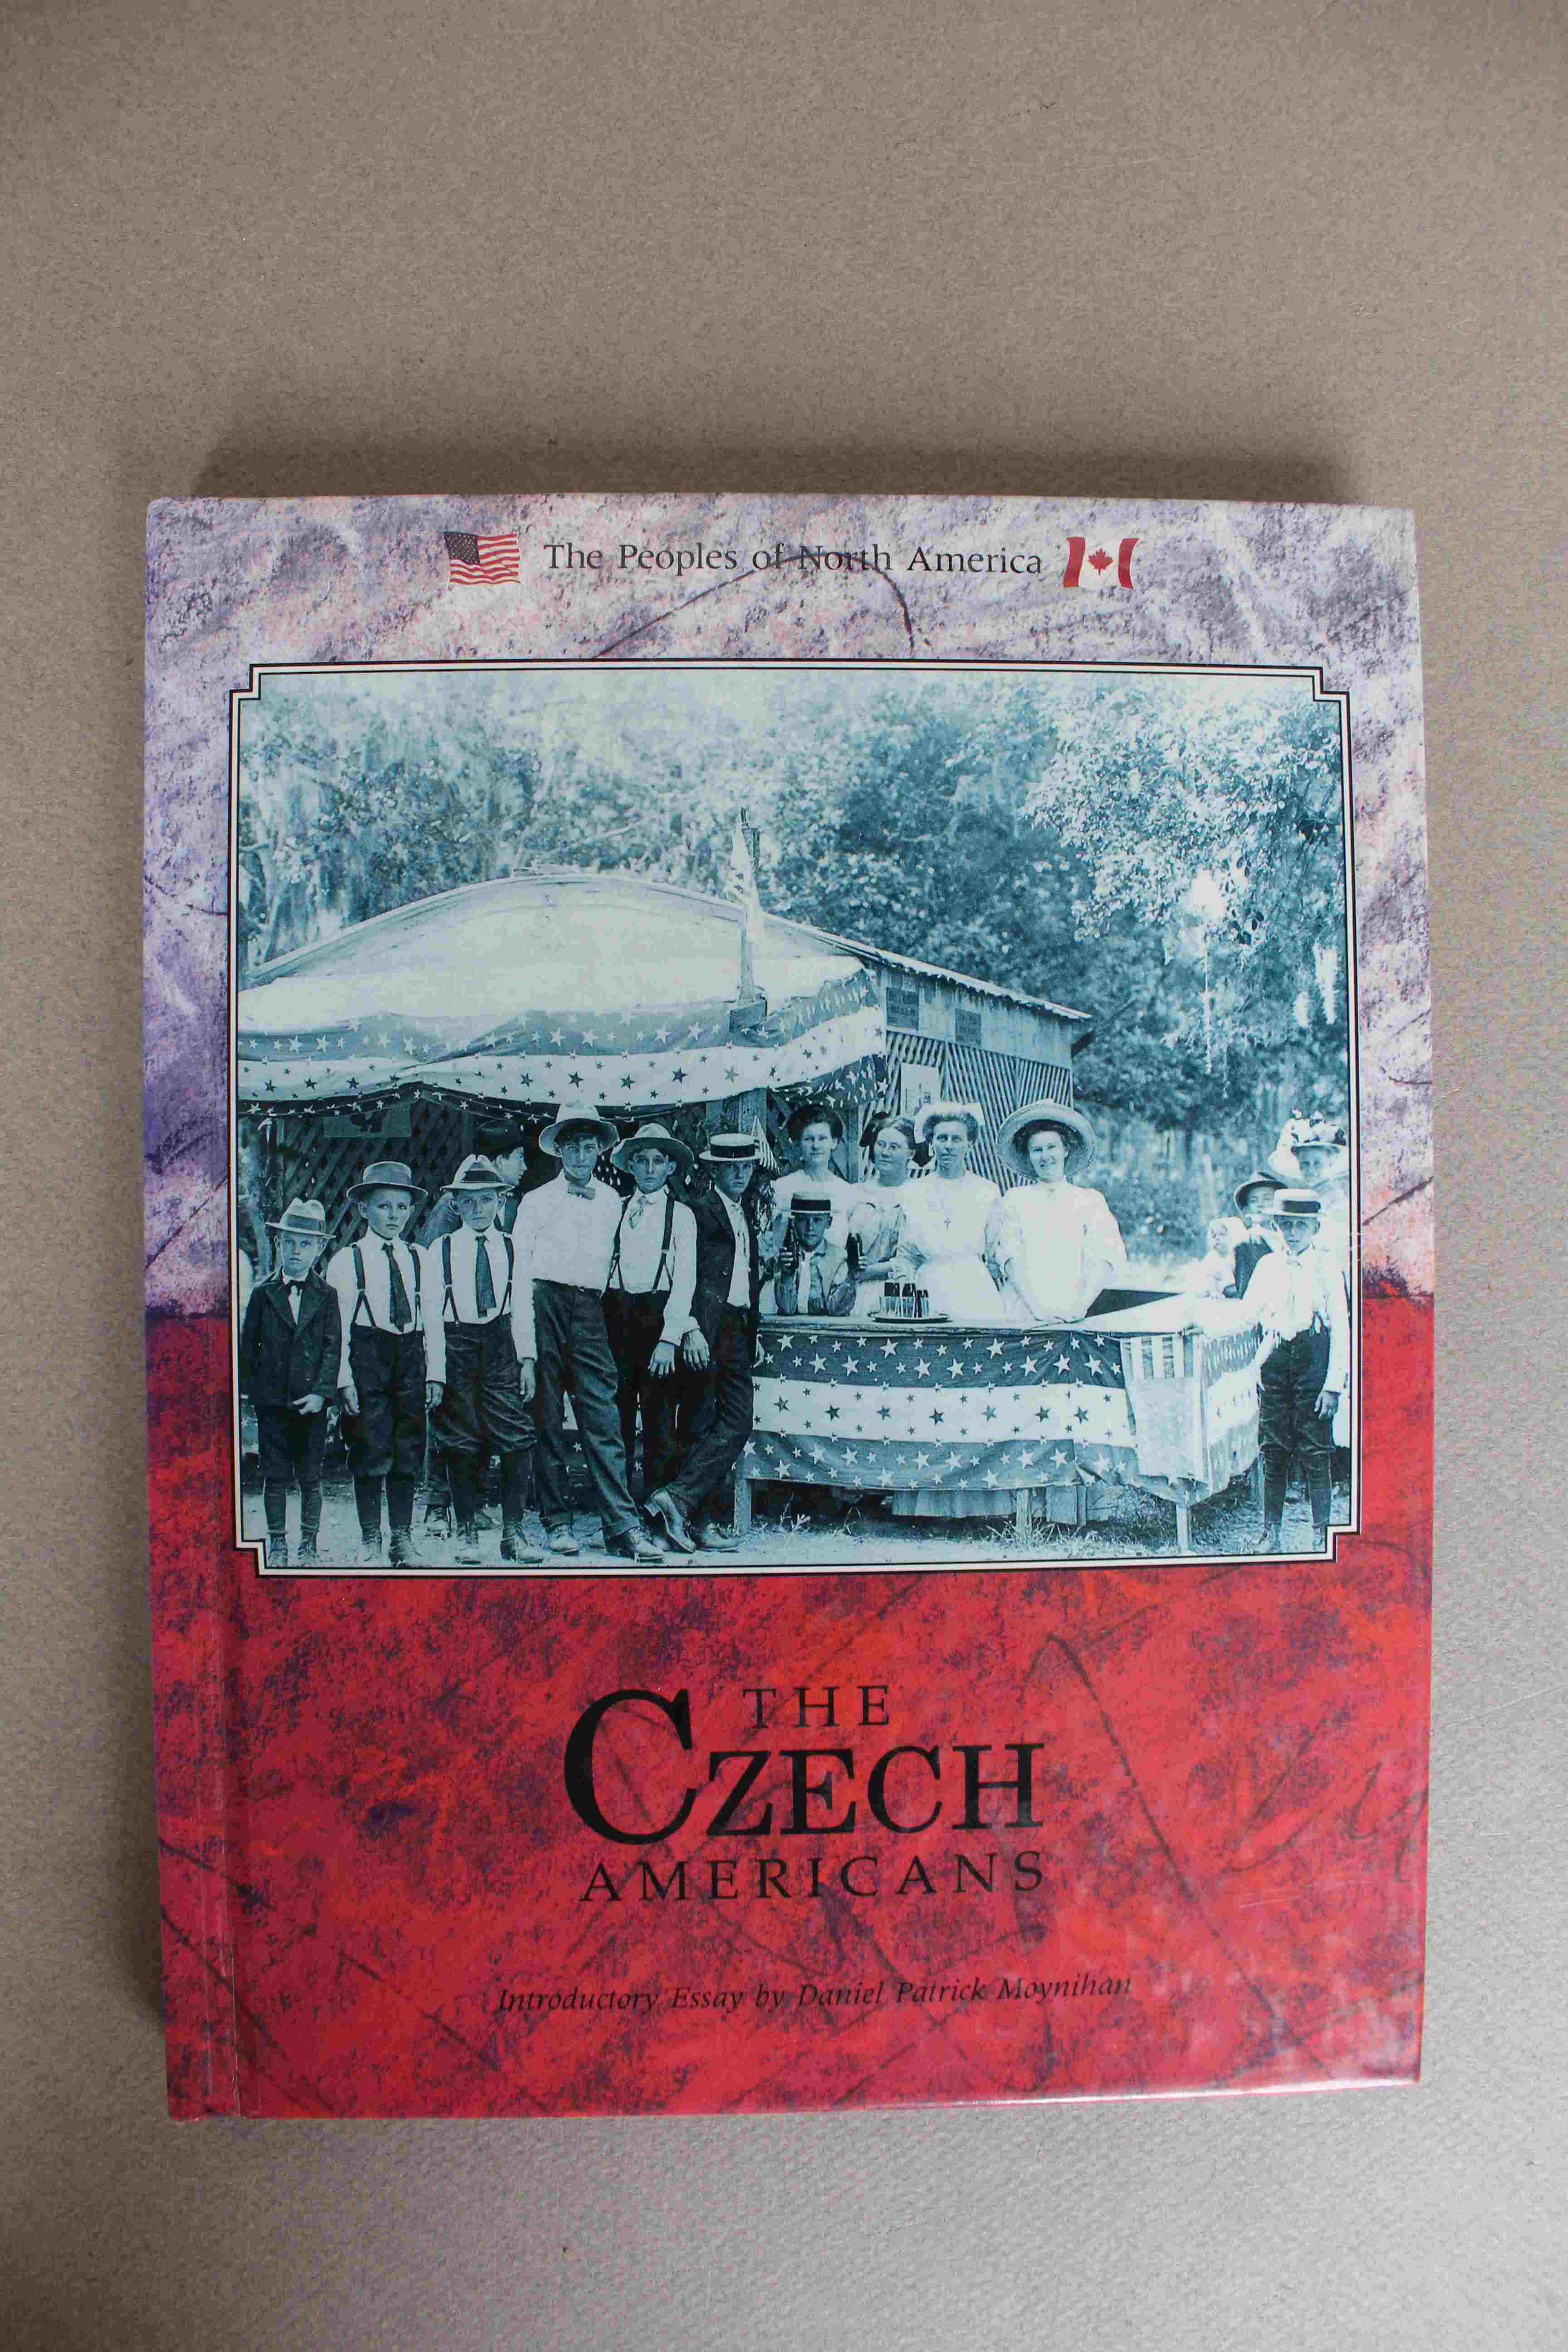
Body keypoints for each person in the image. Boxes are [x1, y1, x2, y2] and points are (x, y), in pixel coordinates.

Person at [509, 1107, 665, 1566]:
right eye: (572, 1147)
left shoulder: (612, 1201)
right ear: (558, 1150)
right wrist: (525, 1349)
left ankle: (621, 1526)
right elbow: (520, 1275)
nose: (581, 1155)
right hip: (544, 1304)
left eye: (589, 1146)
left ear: (600, 1151)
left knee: (603, 1416)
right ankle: (557, 1521)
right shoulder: (535, 1201)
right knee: (547, 1416)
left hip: (591, 1310)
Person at [646, 1132, 769, 1556]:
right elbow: (687, 1274)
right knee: (701, 1422)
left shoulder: (744, 1211)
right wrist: (691, 1328)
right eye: (731, 1167)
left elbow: (744, 1275)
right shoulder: (698, 1211)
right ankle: (700, 1522)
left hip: (736, 1327)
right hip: (704, 1329)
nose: (740, 1174)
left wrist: (753, 1328)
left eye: (746, 1167)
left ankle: (677, 1499)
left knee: (737, 1420)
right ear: (714, 1169)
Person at [421, 1154, 545, 1568]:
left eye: (486, 1200)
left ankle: (513, 1532)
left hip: (501, 1347)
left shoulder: (513, 1248)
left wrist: (527, 1360)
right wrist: (435, 1373)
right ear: (455, 1205)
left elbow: (523, 1308)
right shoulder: (440, 1250)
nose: (478, 1209)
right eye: (469, 1201)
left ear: (500, 1201)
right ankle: (467, 1530)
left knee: (517, 1437)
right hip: (456, 1344)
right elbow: (432, 1319)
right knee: (460, 1441)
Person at [325, 1160, 431, 1568]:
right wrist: (343, 1381)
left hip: (410, 1359)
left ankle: (401, 1539)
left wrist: (436, 1373)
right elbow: (337, 1332)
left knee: (408, 1447)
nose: (393, 1216)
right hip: (367, 1359)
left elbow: (433, 1323)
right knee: (369, 1446)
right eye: (384, 1206)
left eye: (401, 1207)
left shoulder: (419, 1258)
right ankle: (371, 1538)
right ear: (364, 1209)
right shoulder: (347, 1260)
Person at [237, 1197, 340, 1569]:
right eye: (290, 1242)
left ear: (319, 1249)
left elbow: (332, 1349)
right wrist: (254, 1397)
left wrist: (322, 1394)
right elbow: (248, 1348)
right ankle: (278, 1543)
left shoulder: (327, 1296)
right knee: (275, 1476)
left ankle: (308, 1545)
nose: (296, 1251)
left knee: (311, 1478)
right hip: (273, 1404)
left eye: (305, 1244)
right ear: (278, 1244)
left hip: (311, 1404)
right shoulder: (263, 1294)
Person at [1248, 1188, 1349, 1554]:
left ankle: (1321, 1534)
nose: (1292, 1233)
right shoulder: (1268, 1266)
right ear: (1276, 1226)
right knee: (1273, 1448)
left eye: (1301, 1226)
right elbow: (1246, 1313)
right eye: (1286, 1225)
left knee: (1315, 1450)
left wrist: (1333, 1386)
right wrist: (1203, 1322)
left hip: (1313, 1360)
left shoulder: (1327, 1268)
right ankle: (1270, 1533)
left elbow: (1341, 1328)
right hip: (1276, 1360)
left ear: (1315, 1228)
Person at [601, 1122, 698, 1503]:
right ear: (631, 1166)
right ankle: (620, 1507)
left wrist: (669, 1339)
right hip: (618, 1317)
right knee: (618, 1415)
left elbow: (685, 1282)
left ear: (671, 1168)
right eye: (642, 1161)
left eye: (659, 1161)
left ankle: (658, 1505)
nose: (650, 1169)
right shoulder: (616, 1209)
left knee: (659, 1418)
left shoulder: (682, 1216)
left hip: (658, 1319)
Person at [989, 1102, 1125, 1323]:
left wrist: (1080, 1307)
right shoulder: (1015, 1200)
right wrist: (1037, 1311)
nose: (1045, 1156)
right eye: (1037, 1150)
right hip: (1023, 1309)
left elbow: (1106, 1257)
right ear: (1029, 1156)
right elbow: (1010, 1257)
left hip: (1072, 1308)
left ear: (1066, 1150)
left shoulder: (1090, 1201)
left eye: (1052, 1147)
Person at [895, 1102, 1006, 1318]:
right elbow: (906, 1254)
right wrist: (907, 1294)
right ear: (931, 1143)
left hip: (975, 1288)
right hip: (928, 1289)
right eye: (942, 1138)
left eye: (957, 1139)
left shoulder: (986, 1191)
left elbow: (995, 1254)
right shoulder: (913, 1192)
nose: (948, 1146)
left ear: (969, 1145)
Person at [845, 1114, 921, 1319]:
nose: (885, 1153)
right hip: (854, 1291)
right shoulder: (855, 1193)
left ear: (911, 1153)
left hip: (899, 1291)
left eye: (894, 1147)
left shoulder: (919, 1196)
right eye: (881, 1145)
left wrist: (869, 1272)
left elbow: (916, 1256)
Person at [767, 1101, 860, 1245]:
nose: (816, 1146)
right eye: (809, 1139)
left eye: (823, 1139)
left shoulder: (847, 1192)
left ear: (834, 1142)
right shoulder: (782, 1188)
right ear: (798, 1143)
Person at [764, 1193, 857, 1315]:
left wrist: (851, 1278)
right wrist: (787, 1274)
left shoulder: (839, 1258)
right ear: (794, 1222)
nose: (810, 1228)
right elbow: (787, 1309)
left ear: (829, 1222)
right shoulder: (785, 1257)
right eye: (803, 1220)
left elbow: (836, 1310)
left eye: (817, 1220)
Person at [1230, 1169, 1285, 1298]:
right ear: (1246, 1210)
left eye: (1267, 1199)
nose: (1261, 1205)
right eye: (1254, 1201)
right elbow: (1245, 1292)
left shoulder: (1290, 1236)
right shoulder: (1245, 1244)